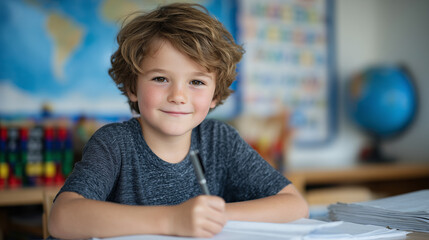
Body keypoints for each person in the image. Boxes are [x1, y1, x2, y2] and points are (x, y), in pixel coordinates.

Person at [48, 3, 308, 239]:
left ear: (215, 94)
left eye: (196, 82)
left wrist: (208, 217)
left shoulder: (220, 140)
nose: (178, 96)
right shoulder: (114, 143)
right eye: (160, 78)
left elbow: (295, 205)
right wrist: (173, 219)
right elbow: (62, 218)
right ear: (132, 87)